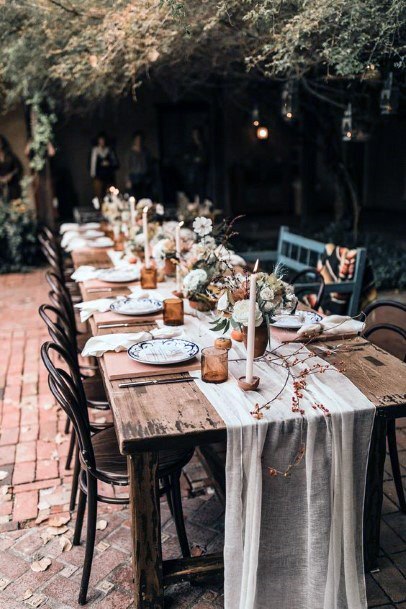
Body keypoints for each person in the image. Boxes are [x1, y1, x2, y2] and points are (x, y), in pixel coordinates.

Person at [183, 126, 208, 202]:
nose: (196, 135)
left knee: (202, 192)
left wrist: (200, 159)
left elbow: (205, 158)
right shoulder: (190, 146)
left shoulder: (204, 145)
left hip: (202, 172)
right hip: (192, 173)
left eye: (197, 133)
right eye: (194, 134)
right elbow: (186, 157)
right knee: (192, 192)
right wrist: (194, 159)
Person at [89, 132, 118, 199]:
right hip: (98, 176)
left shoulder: (109, 150)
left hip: (108, 176)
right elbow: (92, 165)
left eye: (103, 140)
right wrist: (93, 175)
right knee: (99, 195)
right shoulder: (95, 150)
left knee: (110, 195)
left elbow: (115, 163)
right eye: (100, 140)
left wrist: (109, 163)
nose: (102, 142)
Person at [126, 131, 153, 199]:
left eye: (140, 139)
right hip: (134, 177)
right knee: (136, 197)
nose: (139, 141)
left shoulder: (145, 151)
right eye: (137, 139)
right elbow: (127, 166)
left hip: (144, 177)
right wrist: (128, 180)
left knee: (145, 197)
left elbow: (149, 164)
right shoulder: (130, 152)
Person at [0, 134, 22, 202]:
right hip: (1, 187)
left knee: (15, 204)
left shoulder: (10, 155)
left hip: (13, 185)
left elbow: (19, 168)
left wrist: (10, 175)